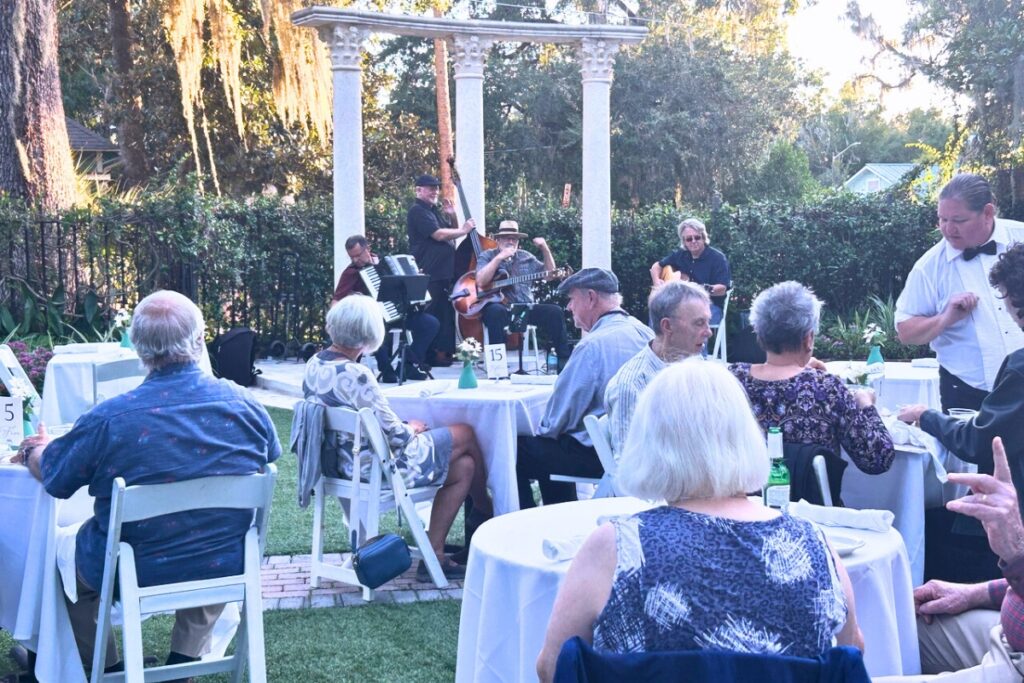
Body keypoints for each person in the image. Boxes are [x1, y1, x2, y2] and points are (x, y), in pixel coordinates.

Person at [535, 361, 863, 682]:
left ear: (649, 443)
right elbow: (851, 653)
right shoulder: (812, 543)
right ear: (746, 437)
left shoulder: (615, 548)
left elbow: (552, 668)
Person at [15, 290, 281, 675]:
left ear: (139, 347)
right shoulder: (245, 405)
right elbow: (269, 454)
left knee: (60, 565)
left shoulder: (111, 420)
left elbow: (56, 477)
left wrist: (34, 451)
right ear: (198, 338)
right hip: (223, 560)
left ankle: (105, 671)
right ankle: (183, 664)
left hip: (132, 565)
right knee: (213, 532)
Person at [302, 294, 493, 579]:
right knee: (465, 433)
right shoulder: (357, 374)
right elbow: (397, 436)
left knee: (465, 466)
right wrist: (413, 427)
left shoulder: (314, 365)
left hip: (337, 466)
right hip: (377, 470)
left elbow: (372, 423)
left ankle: (435, 553)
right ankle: (485, 508)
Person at [899, 243, 1024, 584]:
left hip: (1015, 516)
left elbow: (978, 442)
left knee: (921, 531)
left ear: (1014, 302)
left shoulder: (1020, 367)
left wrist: (926, 416)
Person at [874, 437, 1024, 682]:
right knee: (887, 628)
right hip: (1005, 634)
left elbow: (976, 434)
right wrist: (974, 594)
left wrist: (1017, 551)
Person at [516, 268, 653, 508]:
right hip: (644, 449)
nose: (569, 308)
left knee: (515, 452)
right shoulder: (645, 332)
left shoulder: (592, 346)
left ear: (591, 298)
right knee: (554, 445)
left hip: (605, 456)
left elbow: (557, 418)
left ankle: (523, 526)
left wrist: (544, 429)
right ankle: (560, 514)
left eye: (572, 299)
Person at [729, 281, 895, 476]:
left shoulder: (733, 379)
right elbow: (877, 459)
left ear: (760, 335)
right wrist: (866, 405)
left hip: (744, 501)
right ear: (808, 339)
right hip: (811, 506)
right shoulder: (826, 388)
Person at [895, 173, 1024, 413]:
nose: (947, 229)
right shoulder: (929, 267)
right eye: (942, 219)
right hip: (965, 394)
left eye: (958, 220)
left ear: (987, 213)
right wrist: (945, 318)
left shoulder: (1020, 238)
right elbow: (905, 332)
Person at [604, 281, 711, 457]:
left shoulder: (694, 363)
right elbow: (628, 465)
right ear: (667, 326)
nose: (708, 332)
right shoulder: (633, 385)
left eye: (707, 322)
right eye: (699, 323)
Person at [331, 234, 439, 383]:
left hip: (402, 313)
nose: (355, 260)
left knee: (431, 324)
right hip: (375, 317)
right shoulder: (351, 272)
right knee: (374, 327)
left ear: (367, 249)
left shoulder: (385, 262)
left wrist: (415, 278)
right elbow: (336, 300)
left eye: (358, 255)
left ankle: (407, 365)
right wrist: (333, 320)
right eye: (352, 257)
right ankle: (387, 370)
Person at [474, 220, 571, 364]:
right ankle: (498, 365)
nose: (511, 241)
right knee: (495, 312)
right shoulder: (487, 256)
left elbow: (549, 275)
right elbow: (481, 281)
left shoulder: (526, 257)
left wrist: (545, 248)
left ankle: (563, 361)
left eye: (515, 238)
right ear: (498, 239)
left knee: (555, 311)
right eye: (507, 237)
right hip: (501, 309)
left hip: (525, 308)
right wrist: (499, 257)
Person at [406, 174, 476, 367]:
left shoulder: (432, 211)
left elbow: (449, 232)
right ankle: (424, 357)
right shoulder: (417, 211)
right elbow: (438, 235)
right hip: (430, 273)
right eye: (430, 188)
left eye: (436, 188)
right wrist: (464, 229)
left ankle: (439, 355)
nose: (434, 191)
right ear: (418, 190)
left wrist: (452, 214)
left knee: (443, 315)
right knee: (432, 314)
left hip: (443, 274)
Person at [649, 218, 731, 324]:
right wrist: (657, 282)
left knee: (686, 318)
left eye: (697, 237)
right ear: (684, 241)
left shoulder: (718, 258)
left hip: (709, 306)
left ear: (703, 237)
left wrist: (696, 288)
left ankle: (695, 341)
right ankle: (656, 340)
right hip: (681, 304)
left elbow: (722, 289)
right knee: (658, 311)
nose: (693, 241)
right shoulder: (680, 255)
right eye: (689, 239)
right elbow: (656, 266)